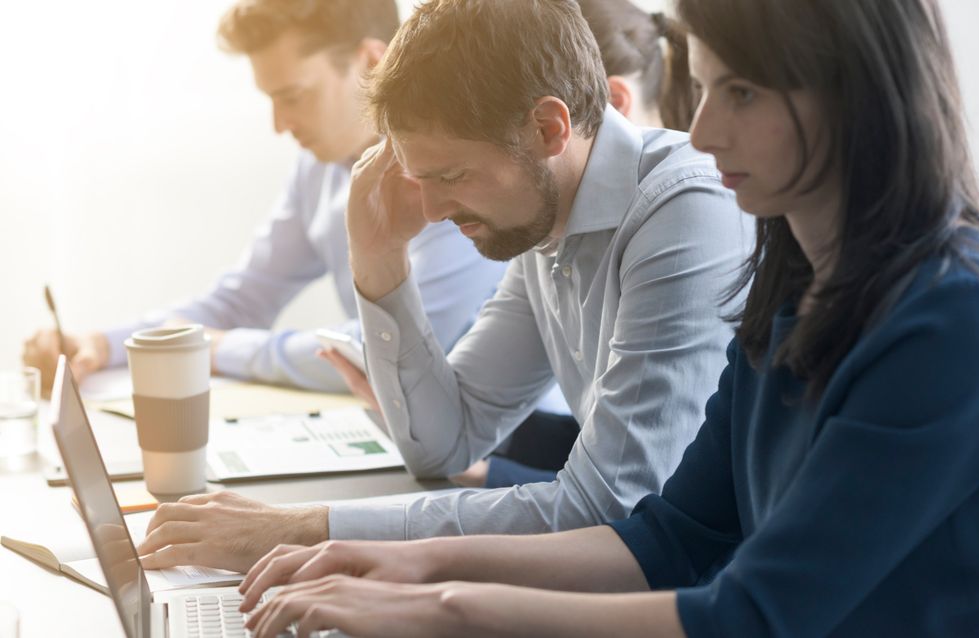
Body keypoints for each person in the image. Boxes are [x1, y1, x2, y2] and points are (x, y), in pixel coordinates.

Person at [232, 0, 979, 636]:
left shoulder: (959, 318)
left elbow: (750, 612)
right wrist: (414, 565)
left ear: (859, 96)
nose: (703, 132)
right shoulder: (791, 282)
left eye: (740, 93)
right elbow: (673, 536)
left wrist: (439, 603)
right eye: (705, 90)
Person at [136, 0, 750, 572]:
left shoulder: (684, 208)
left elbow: (608, 511)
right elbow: (444, 444)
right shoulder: (543, 225)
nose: (429, 210)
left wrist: (307, 529)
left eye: (451, 174)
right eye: (417, 178)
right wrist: (380, 259)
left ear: (547, 128)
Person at [20, 0, 506, 394]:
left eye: (293, 96)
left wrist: (215, 349)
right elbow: (244, 299)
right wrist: (103, 345)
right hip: (402, 432)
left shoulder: (451, 177)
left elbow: (385, 352)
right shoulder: (318, 169)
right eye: (271, 100)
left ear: (371, 63)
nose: (280, 125)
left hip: (501, 460)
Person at [465, 0, 701, 489]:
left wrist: (490, 475)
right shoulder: (546, 227)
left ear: (610, 104)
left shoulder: (682, 209)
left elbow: (625, 488)